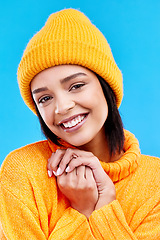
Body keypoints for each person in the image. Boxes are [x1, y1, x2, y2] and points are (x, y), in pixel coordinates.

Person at [0, 8, 160, 240]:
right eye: (45, 98)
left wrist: (104, 207)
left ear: (106, 87)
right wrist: (81, 211)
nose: (62, 107)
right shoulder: (23, 173)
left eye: (76, 86)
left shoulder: (155, 182)